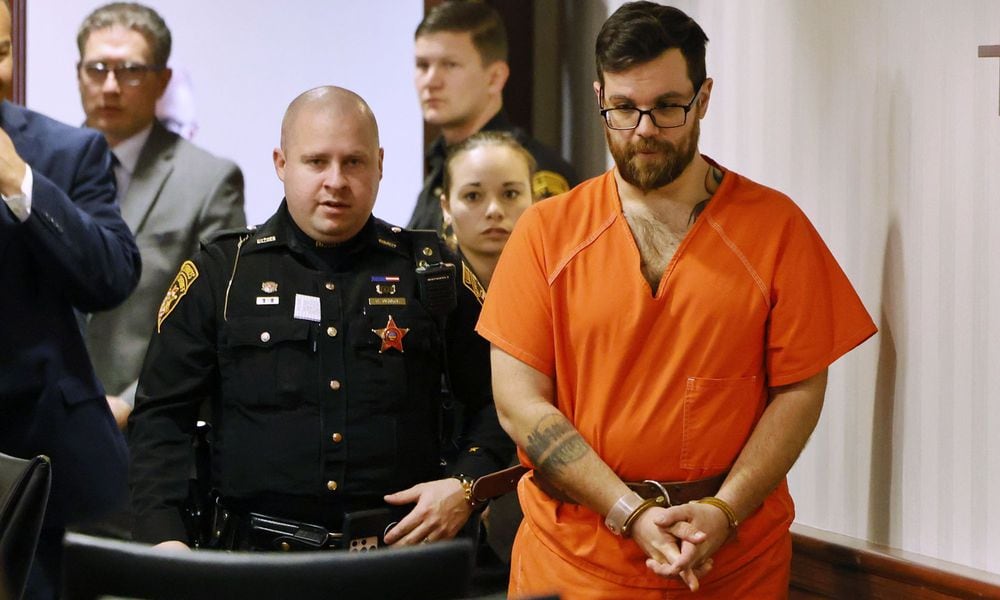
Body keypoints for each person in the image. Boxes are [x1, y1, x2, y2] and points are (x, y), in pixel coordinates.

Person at [476, 2, 879, 598]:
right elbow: (518, 404)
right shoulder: (545, 232)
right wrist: (628, 512)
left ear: (704, 98)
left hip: (733, 561)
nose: (644, 129)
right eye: (623, 107)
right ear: (599, 99)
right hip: (576, 560)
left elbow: (799, 390)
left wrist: (726, 508)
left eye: (667, 106)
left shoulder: (775, 228)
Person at [127, 86, 513, 553]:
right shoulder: (222, 273)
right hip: (255, 563)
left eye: (354, 162)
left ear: (380, 164)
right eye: (316, 162)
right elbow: (161, 420)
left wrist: (465, 486)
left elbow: (502, 402)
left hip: (402, 557)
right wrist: (164, 537)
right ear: (281, 164)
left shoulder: (431, 272)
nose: (336, 180)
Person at [0, 1, 140, 597]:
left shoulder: (65, 152)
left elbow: (112, 275)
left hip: (37, 469)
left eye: (1, 51)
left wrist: (18, 182)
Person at [76, 2, 245, 429]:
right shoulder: (39, 170)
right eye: (96, 69)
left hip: (149, 425)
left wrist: (133, 402)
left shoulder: (209, 180)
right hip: (42, 424)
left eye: (130, 70)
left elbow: (216, 320)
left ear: (162, 80)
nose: (110, 86)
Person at [438, 131, 535, 570]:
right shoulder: (424, 299)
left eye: (511, 193)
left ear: (537, 198)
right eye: (473, 195)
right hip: (445, 502)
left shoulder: (564, 293)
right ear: (446, 206)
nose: (494, 210)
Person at [408, 0, 578, 233]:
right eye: (422, 65)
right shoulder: (440, 163)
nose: (430, 81)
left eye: (450, 65)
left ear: (495, 77)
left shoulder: (533, 170)